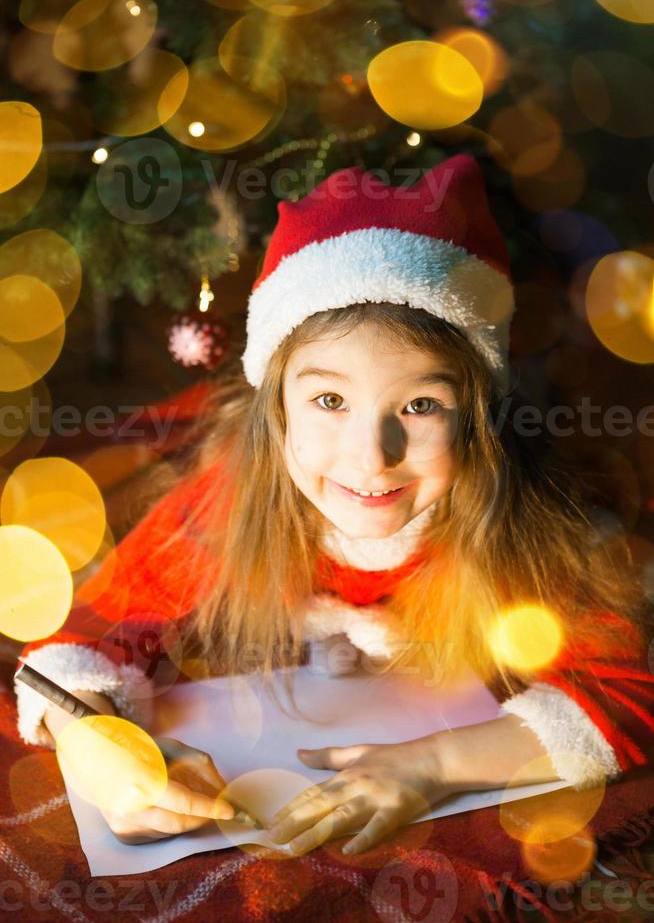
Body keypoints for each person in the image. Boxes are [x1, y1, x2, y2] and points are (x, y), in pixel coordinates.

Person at [14, 155, 654, 857]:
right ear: (276, 411)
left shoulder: (526, 526)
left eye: (419, 406)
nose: (371, 456)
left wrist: (433, 763)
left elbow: (627, 693)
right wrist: (102, 753)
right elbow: (79, 649)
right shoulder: (227, 505)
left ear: (478, 418)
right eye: (329, 400)